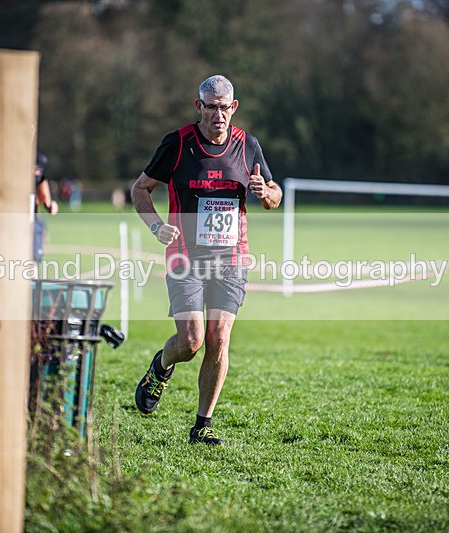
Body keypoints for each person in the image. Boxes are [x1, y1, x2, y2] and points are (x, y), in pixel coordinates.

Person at [131, 74, 282, 446]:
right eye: (211, 107)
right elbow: (140, 189)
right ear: (199, 106)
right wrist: (156, 226)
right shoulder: (178, 143)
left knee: (219, 339)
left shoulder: (248, 145)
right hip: (185, 257)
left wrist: (265, 193)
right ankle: (161, 366)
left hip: (232, 259)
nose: (219, 115)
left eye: (225, 107)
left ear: (234, 107)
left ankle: (202, 425)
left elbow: (274, 195)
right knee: (191, 340)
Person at [33, 151, 58, 262]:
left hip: (33, 221)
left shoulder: (39, 179)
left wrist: (51, 206)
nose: (37, 171)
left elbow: (47, 201)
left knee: (34, 259)